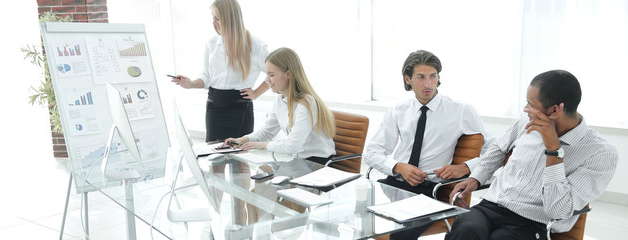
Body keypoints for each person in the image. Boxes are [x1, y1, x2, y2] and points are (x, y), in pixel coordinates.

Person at [445, 70, 618, 240]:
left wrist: (554, 150)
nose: (525, 109)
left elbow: (558, 210)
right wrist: (476, 178)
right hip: (491, 206)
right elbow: (499, 148)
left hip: (533, 221)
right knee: (466, 230)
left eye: (531, 104)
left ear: (555, 110)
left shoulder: (600, 153)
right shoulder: (526, 122)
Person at [364, 49, 495, 239]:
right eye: (421, 77)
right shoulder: (399, 111)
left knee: (394, 235)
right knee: (356, 218)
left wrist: (465, 167)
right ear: (407, 79)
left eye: (433, 76)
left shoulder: (460, 111)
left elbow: (496, 150)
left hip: (428, 191)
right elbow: (371, 152)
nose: (428, 84)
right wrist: (399, 167)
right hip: (393, 184)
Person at [171, 0, 269, 142]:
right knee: (215, 159)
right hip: (214, 107)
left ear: (231, 18)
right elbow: (206, 77)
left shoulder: (256, 45)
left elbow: (274, 74)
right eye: (212, 17)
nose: (214, 23)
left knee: (242, 160)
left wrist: (256, 93)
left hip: (240, 107)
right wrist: (191, 83)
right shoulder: (211, 44)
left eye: (217, 18)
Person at [224, 47, 336, 164]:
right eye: (267, 74)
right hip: (299, 161)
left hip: (318, 164)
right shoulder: (280, 100)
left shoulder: (306, 103)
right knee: (262, 174)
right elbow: (267, 132)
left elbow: (291, 146)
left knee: (265, 177)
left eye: (271, 75)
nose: (267, 80)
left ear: (288, 74)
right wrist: (242, 140)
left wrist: (260, 145)